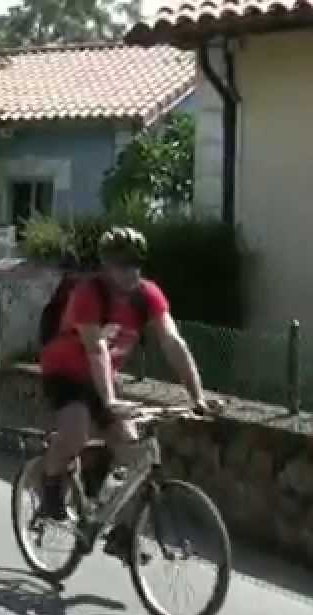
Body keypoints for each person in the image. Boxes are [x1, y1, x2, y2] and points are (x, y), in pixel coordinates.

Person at [36, 226, 215, 560]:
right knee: (75, 433)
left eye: (135, 263)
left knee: (135, 454)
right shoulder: (89, 293)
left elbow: (173, 342)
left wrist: (197, 396)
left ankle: (122, 533)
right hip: (65, 371)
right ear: (106, 265)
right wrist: (110, 401)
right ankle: (50, 488)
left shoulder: (147, 295)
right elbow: (96, 349)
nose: (130, 271)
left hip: (103, 379)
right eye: (121, 264)